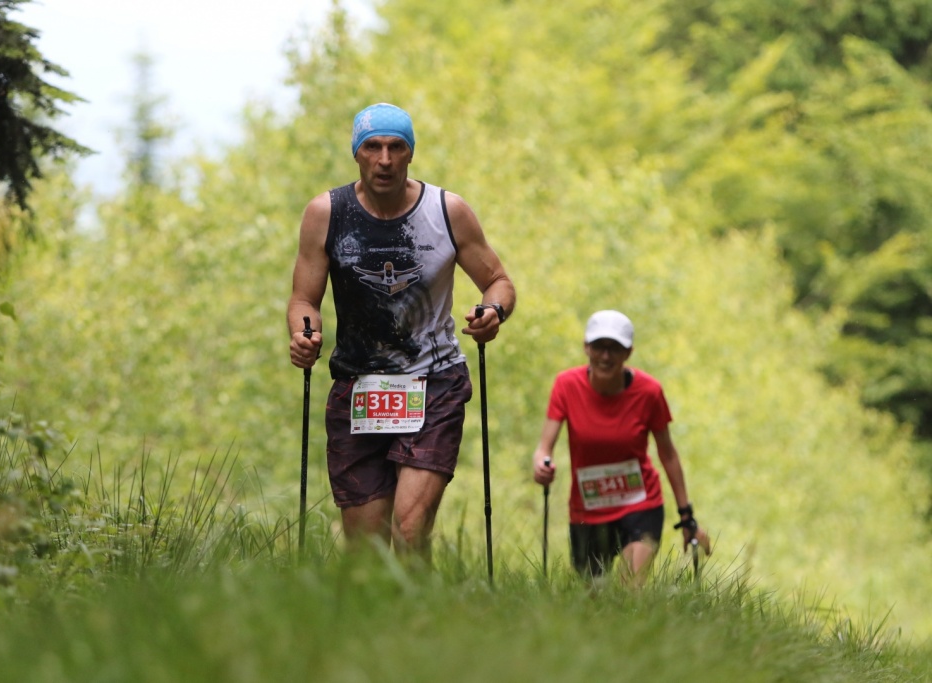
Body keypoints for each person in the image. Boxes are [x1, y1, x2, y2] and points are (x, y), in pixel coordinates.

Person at [287, 102, 516, 562]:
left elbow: (499, 282)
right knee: (367, 554)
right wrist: (304, 333)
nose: (385, 160)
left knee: (410, 531)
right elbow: (303, 300)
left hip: (434, 384)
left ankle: (423, 627)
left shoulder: (447, 211)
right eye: (373, 147)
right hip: (358, 386)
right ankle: (379, 631)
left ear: (411, 154)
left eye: (396, 148)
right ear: (357, 154)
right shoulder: (326, 213)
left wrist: (493, 312)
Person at [532, 309, 710, 582]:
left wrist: (686, 516)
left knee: (629, 594)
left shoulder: (649, 392)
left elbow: (668, 454)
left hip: (640, 505)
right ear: (586, 348)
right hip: (587, 511)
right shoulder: (566, 385)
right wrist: (542, 464)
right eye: (599, 347)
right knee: (591, 601)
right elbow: (544, 447)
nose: (606, 356)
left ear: (628, 353)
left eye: (615, 348)